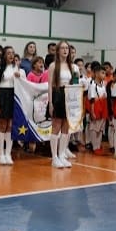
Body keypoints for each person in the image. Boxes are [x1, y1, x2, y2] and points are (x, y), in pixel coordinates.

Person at [47, 40, 79, 168]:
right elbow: (50, 85)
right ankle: (54, 157)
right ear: (58, 50)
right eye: (63, 48)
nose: (65, 50)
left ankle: (61, 155)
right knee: (56, 126)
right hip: (58, 95)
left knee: (66, 127)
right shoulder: (53, 66)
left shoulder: (74, 67)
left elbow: (76, 84)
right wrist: (50, 102)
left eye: (67, 48)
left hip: (70, 96)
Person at [0, 46, 24, 166]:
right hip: (2, 95)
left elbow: (20, 83)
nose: (11, 55)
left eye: (13, 53)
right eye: (8, 53)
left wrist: (19, 76)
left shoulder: (15, 67)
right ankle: (1, 154)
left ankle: (8, 153)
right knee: (2, 124)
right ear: (4, 55)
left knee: (10, 125)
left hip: (13, 95)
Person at [88, 62, 108, 155]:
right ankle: (94, 146)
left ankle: (98, 145)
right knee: (94, 128)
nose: (104, 75)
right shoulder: (92, 85)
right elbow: (91, 100)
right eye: (102, 73)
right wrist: (92, 112)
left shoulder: (103, 85)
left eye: (105, 73)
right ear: (96, 73)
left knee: (100, 129)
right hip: (95, 108)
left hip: (103, 108)